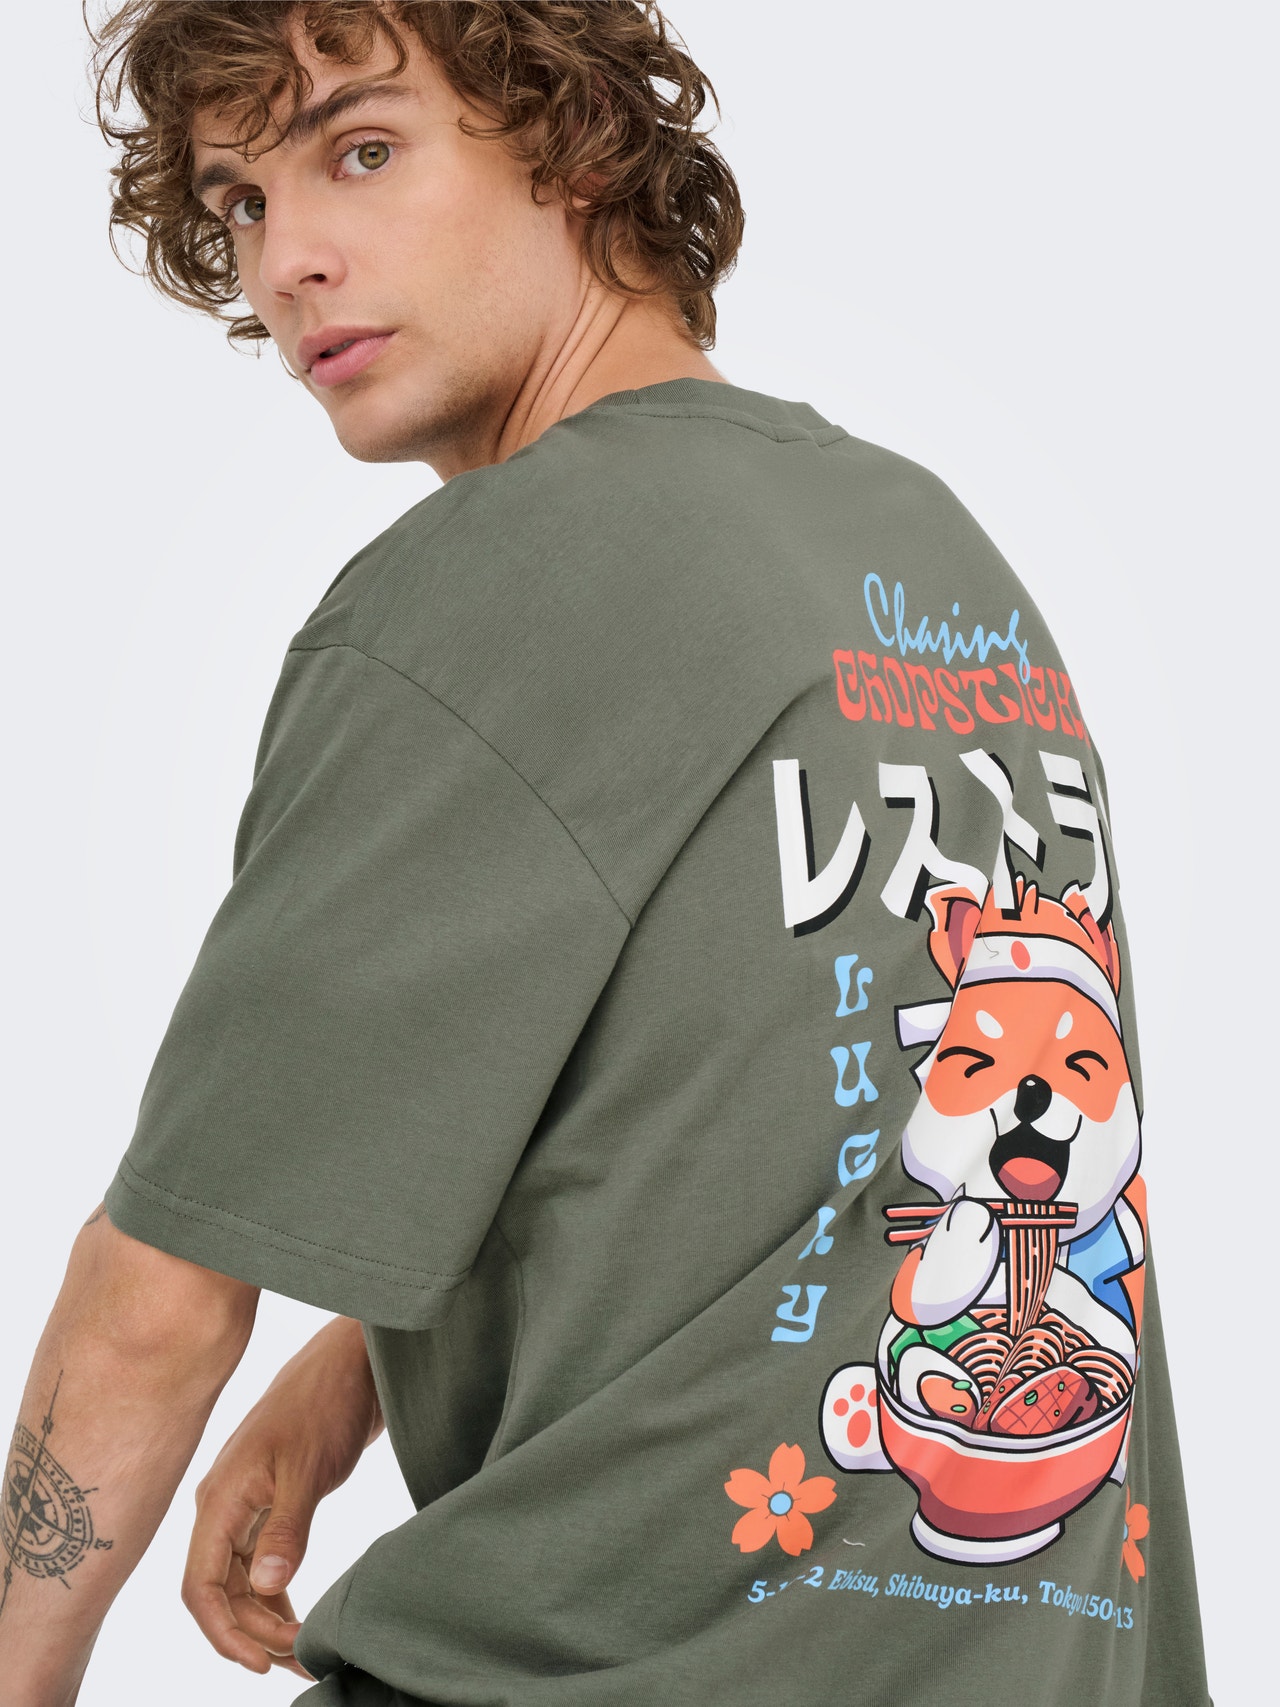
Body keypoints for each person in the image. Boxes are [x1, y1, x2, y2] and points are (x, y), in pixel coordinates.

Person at [0, 3, 1212, 1703]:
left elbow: (157, 1301)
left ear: (569, 145)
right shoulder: (929, 560)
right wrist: (358, 1366)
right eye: (244, 201)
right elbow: (810, 1106)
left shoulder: (486, 589)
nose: (288, 261)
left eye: (363, 151)